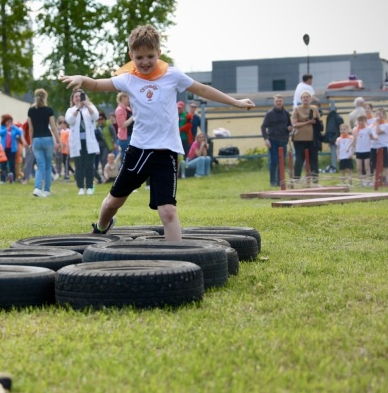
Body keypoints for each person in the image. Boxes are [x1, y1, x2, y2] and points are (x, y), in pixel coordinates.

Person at [59, 24, 254, 241]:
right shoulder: (128, 78)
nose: (145, 62)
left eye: (150, 56)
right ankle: (102, 226)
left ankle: (177, 261)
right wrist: (82, 80)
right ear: (131, 55)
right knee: (113, 202)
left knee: (168, 211)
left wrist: (235, 102)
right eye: (139, 57)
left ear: (159, 54)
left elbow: (203, 90)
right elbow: (96, 84)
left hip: (166, 153)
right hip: (138, 152)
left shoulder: (173, 76)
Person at [66, 89, 100, 195]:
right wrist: (78, 109)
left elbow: (96, 117)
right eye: (75, 96)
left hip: (89, 141)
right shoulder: (70, 110)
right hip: (77, 142)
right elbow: (70, 120)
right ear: (73, 99)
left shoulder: (90, 107)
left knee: (89, 165)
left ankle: (89, 186)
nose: (78, 98)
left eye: (80, 96)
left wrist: (87, 106)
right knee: (79, 165)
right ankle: (80, 187)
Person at [26, 88, 60, 198]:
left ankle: (37, 188)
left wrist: (31, 142)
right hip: (47, 139)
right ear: (45, 97)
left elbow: (30, 129)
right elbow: (53, 127)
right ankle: (47, 190)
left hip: (36, 140)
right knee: (48, 165)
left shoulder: (31, 110)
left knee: (40, 166)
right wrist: (59, 141)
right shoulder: (49, 110)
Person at [261, 94, 293, 187]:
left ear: (283, 102)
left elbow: (289, 125)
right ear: (274, 102)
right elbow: (263, 127)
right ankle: (272, 182)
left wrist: (290, 128)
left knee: (282, 162)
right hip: (273, 140)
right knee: (274, 161)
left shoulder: (286, 113)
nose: (278, 103)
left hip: (283, 140)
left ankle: (280, 181)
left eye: (280, 101)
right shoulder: (270, 113)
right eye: (276, 101)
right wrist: (266, 139)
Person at [291, 91, 321, 185]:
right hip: (299, 138)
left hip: (312, 138)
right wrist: (307, 122)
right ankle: (297, 180)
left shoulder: (314, 108)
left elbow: (318, 121)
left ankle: (315, 181)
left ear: (310, 99)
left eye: (307, 97)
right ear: (301, 99)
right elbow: (295, 124)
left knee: (314, 160)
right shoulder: (297, 109)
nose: (305, 99)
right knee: (299, 159)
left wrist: (315, 122)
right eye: (303, 97)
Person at [371, 107, 388, 187]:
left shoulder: (387, 125)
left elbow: (378, 132)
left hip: (383, 147)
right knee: (375, 166)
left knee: (386, 165)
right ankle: (377, 181)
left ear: (384, 115)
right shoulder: (372, 126)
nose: (378, 116)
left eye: (380, 114)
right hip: (374, 147)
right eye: (376, 114)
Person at [0, 114, 25, 183]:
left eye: (10, 121)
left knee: (12, 164)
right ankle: (3, 179)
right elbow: (0, 133)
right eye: (7, 121)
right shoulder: (2, 127)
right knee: (3, 164)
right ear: (4, 122)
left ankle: (12, 179)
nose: (9, 123)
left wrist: (14, 127)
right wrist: (7, 128)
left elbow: (20, 132)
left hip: (12, 149)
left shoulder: (14, 128)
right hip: (4, 149)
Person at [350, 114, 375, 187]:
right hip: (358, 150)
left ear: (365, 121)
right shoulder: (355, 129)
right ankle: (361, 182)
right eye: (359, 121)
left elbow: (372, 137)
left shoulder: (368, 129)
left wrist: (376, 138)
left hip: (366, 150)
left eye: (362, 121)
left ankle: (368, 181)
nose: (360, 123)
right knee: (359, 168)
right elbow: (354, 139)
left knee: (367, 167)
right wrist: (351, 148)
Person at [324, 102, 344, 172]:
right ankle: (337, 167)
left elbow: (329, 128)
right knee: (339, 153)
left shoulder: (330, 118)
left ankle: (335, 167)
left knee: (337, 153)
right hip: (339, 137)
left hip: (334, 137)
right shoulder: (339, 118)